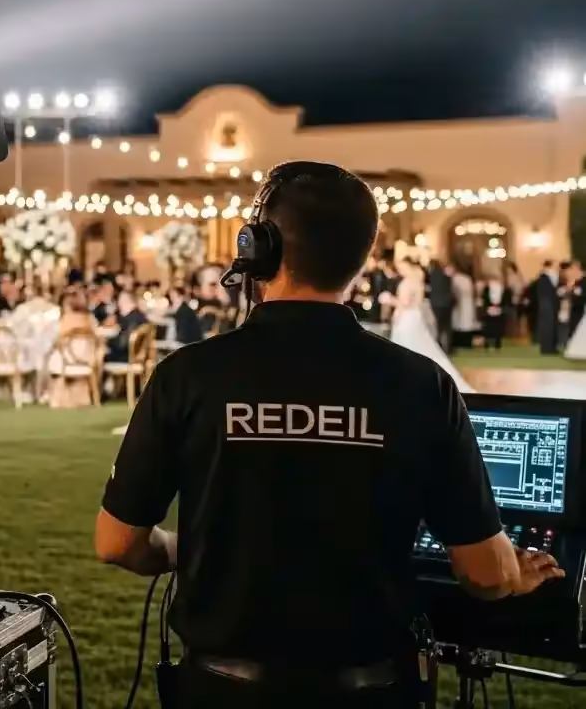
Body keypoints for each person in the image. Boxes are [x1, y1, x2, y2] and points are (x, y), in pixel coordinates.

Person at [94, 161, 564, 709]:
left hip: (220, 691)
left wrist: (180, 547)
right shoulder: (422, 385)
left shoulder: (188, 375)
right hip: (371, 691)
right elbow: (484, 572)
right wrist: (515, 575)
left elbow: (117, 541)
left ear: (257, 250)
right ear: (362, 258)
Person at [389, 259, 474, 393]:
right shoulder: (417, 282)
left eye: (402, 267)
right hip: (414, 317)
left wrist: (389, 299)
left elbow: (405, 303)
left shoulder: (408, 282)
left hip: (408, 319)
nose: (400, 270)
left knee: (408, 348)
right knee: (418, 348)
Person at [426, 259, 454, 355]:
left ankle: (438, 348)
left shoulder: (431, 275)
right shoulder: (445, 274)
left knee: (437, 327)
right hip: (446, 303)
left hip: (436, 304)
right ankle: (448, 348)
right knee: (446, 327)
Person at [479, 271, 512, 352]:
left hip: (500, 310)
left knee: (498, 327)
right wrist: (490, 306)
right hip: (489, 310)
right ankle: (487, 342)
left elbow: (507, 300)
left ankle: (498, 342)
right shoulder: (486, 289)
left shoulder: (505, 289)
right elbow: (484, 299)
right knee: (488, 327)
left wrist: (499, 307)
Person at [535, 260, 562, 355]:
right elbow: (543, 294)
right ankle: (546, 348)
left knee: (553, 326)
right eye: (555, 265)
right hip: (547, 305)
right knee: (547, 326)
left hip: (553, 304)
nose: (557, 267)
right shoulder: (543, 277)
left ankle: (553, 347)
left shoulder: (555, 276)